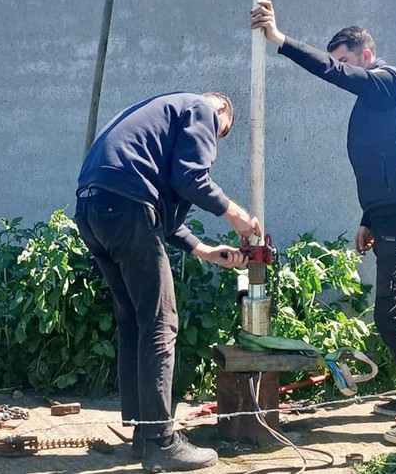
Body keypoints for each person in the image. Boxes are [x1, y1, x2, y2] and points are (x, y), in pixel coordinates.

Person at [251, 1, 396, 445]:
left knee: (389, 313)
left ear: (366, 55)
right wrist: (367, 218)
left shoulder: (389, 82)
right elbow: (381, 159)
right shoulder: (377, 98)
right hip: (389, 211)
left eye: (345, 61)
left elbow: (338, 77)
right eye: (337, 62)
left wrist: (281, 41)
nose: (340, 70)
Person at [75, 92, 261, 471]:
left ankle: (144, 434)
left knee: (135, 321)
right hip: (127, 206)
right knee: (161, 323)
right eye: (220, 135)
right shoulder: (203, 109)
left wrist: (205, 250)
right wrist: (236, 213)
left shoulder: (158, 121)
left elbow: (165, 217)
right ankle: (161, 441)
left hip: (94, 209)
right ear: (222, 110)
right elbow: (191, 177)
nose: (214, 141)